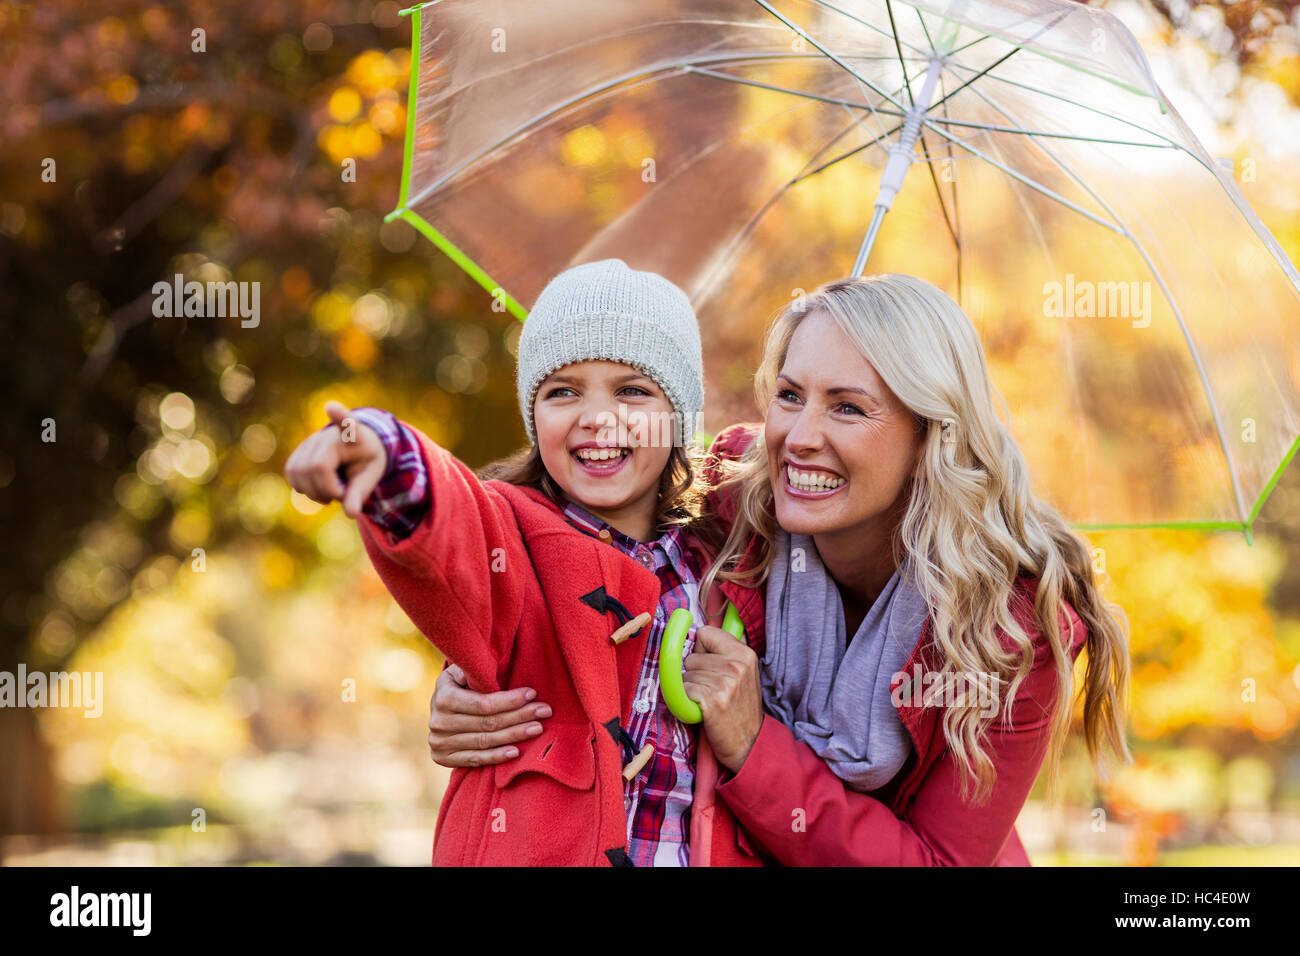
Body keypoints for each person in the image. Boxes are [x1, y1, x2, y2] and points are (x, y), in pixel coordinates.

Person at [427, 273, 1132, 865]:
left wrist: (754, 746)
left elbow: (938, 862)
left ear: (929, 435)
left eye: (848, 407)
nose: (799, 438)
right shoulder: (735, 496)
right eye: (791, 395)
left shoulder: (1010, 624)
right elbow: (589, 557)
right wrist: (484, 675)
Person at [284, 259, 768, 866]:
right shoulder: (514, 538)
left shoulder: (720, 560)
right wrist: (381, 448)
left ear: (679, 418)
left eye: (633, 390)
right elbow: (452, 523)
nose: (596, 417)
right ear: (533, 418)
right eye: (562, 391)